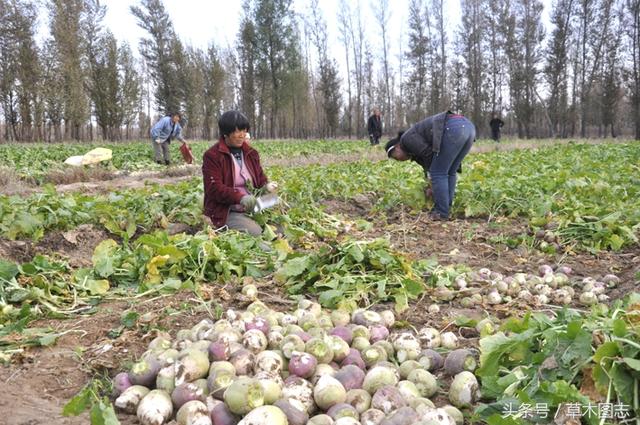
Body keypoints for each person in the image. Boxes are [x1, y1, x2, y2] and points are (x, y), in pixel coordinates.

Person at [385, 111, 476, 221]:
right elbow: (427, 164)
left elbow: (429, 155)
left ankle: (441, 213)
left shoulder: (406, 139)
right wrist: (430, 184)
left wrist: (433, 183)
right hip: (469, 128)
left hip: (454, 127)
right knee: (449, 172)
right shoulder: (412, 150)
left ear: (397, 147)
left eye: (395, 157)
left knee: (438, 173)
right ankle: (446, 208)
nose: (399, 161)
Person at [202, 110, 277, 236]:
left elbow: (260, 178)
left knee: (278, 219)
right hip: (227, 209)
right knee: (256, 232)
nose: (242, 135)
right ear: (226, 133)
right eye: (237, 131)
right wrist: (240, 197)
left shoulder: (251, 153)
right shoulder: (212, 156)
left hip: (253, 205)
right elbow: (214, 188)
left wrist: (266, 187)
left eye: (244, 130)